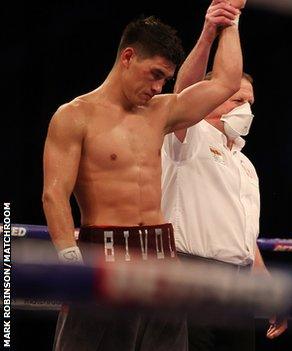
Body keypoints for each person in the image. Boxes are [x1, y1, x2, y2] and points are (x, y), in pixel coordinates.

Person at [42, 1, 245, 349]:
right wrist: (70, 262)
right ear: (128, 57)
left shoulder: (160, 112)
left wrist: (228, 21)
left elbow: (226, 82)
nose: (158, 87)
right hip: (103, 255)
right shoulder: (75, 116)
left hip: (162, 255)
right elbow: (54, 195)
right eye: (155, 75)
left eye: (165, 79)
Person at [161, 1, 287, 349]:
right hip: (190, 275)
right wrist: (213, 31)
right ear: (210, 98)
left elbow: (247, 238)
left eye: (250, 103)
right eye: (235, 100)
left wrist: (266, 289)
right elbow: (182, 96)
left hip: (238, 283)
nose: (245, 109)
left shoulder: (246, 166)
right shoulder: (189, 135)